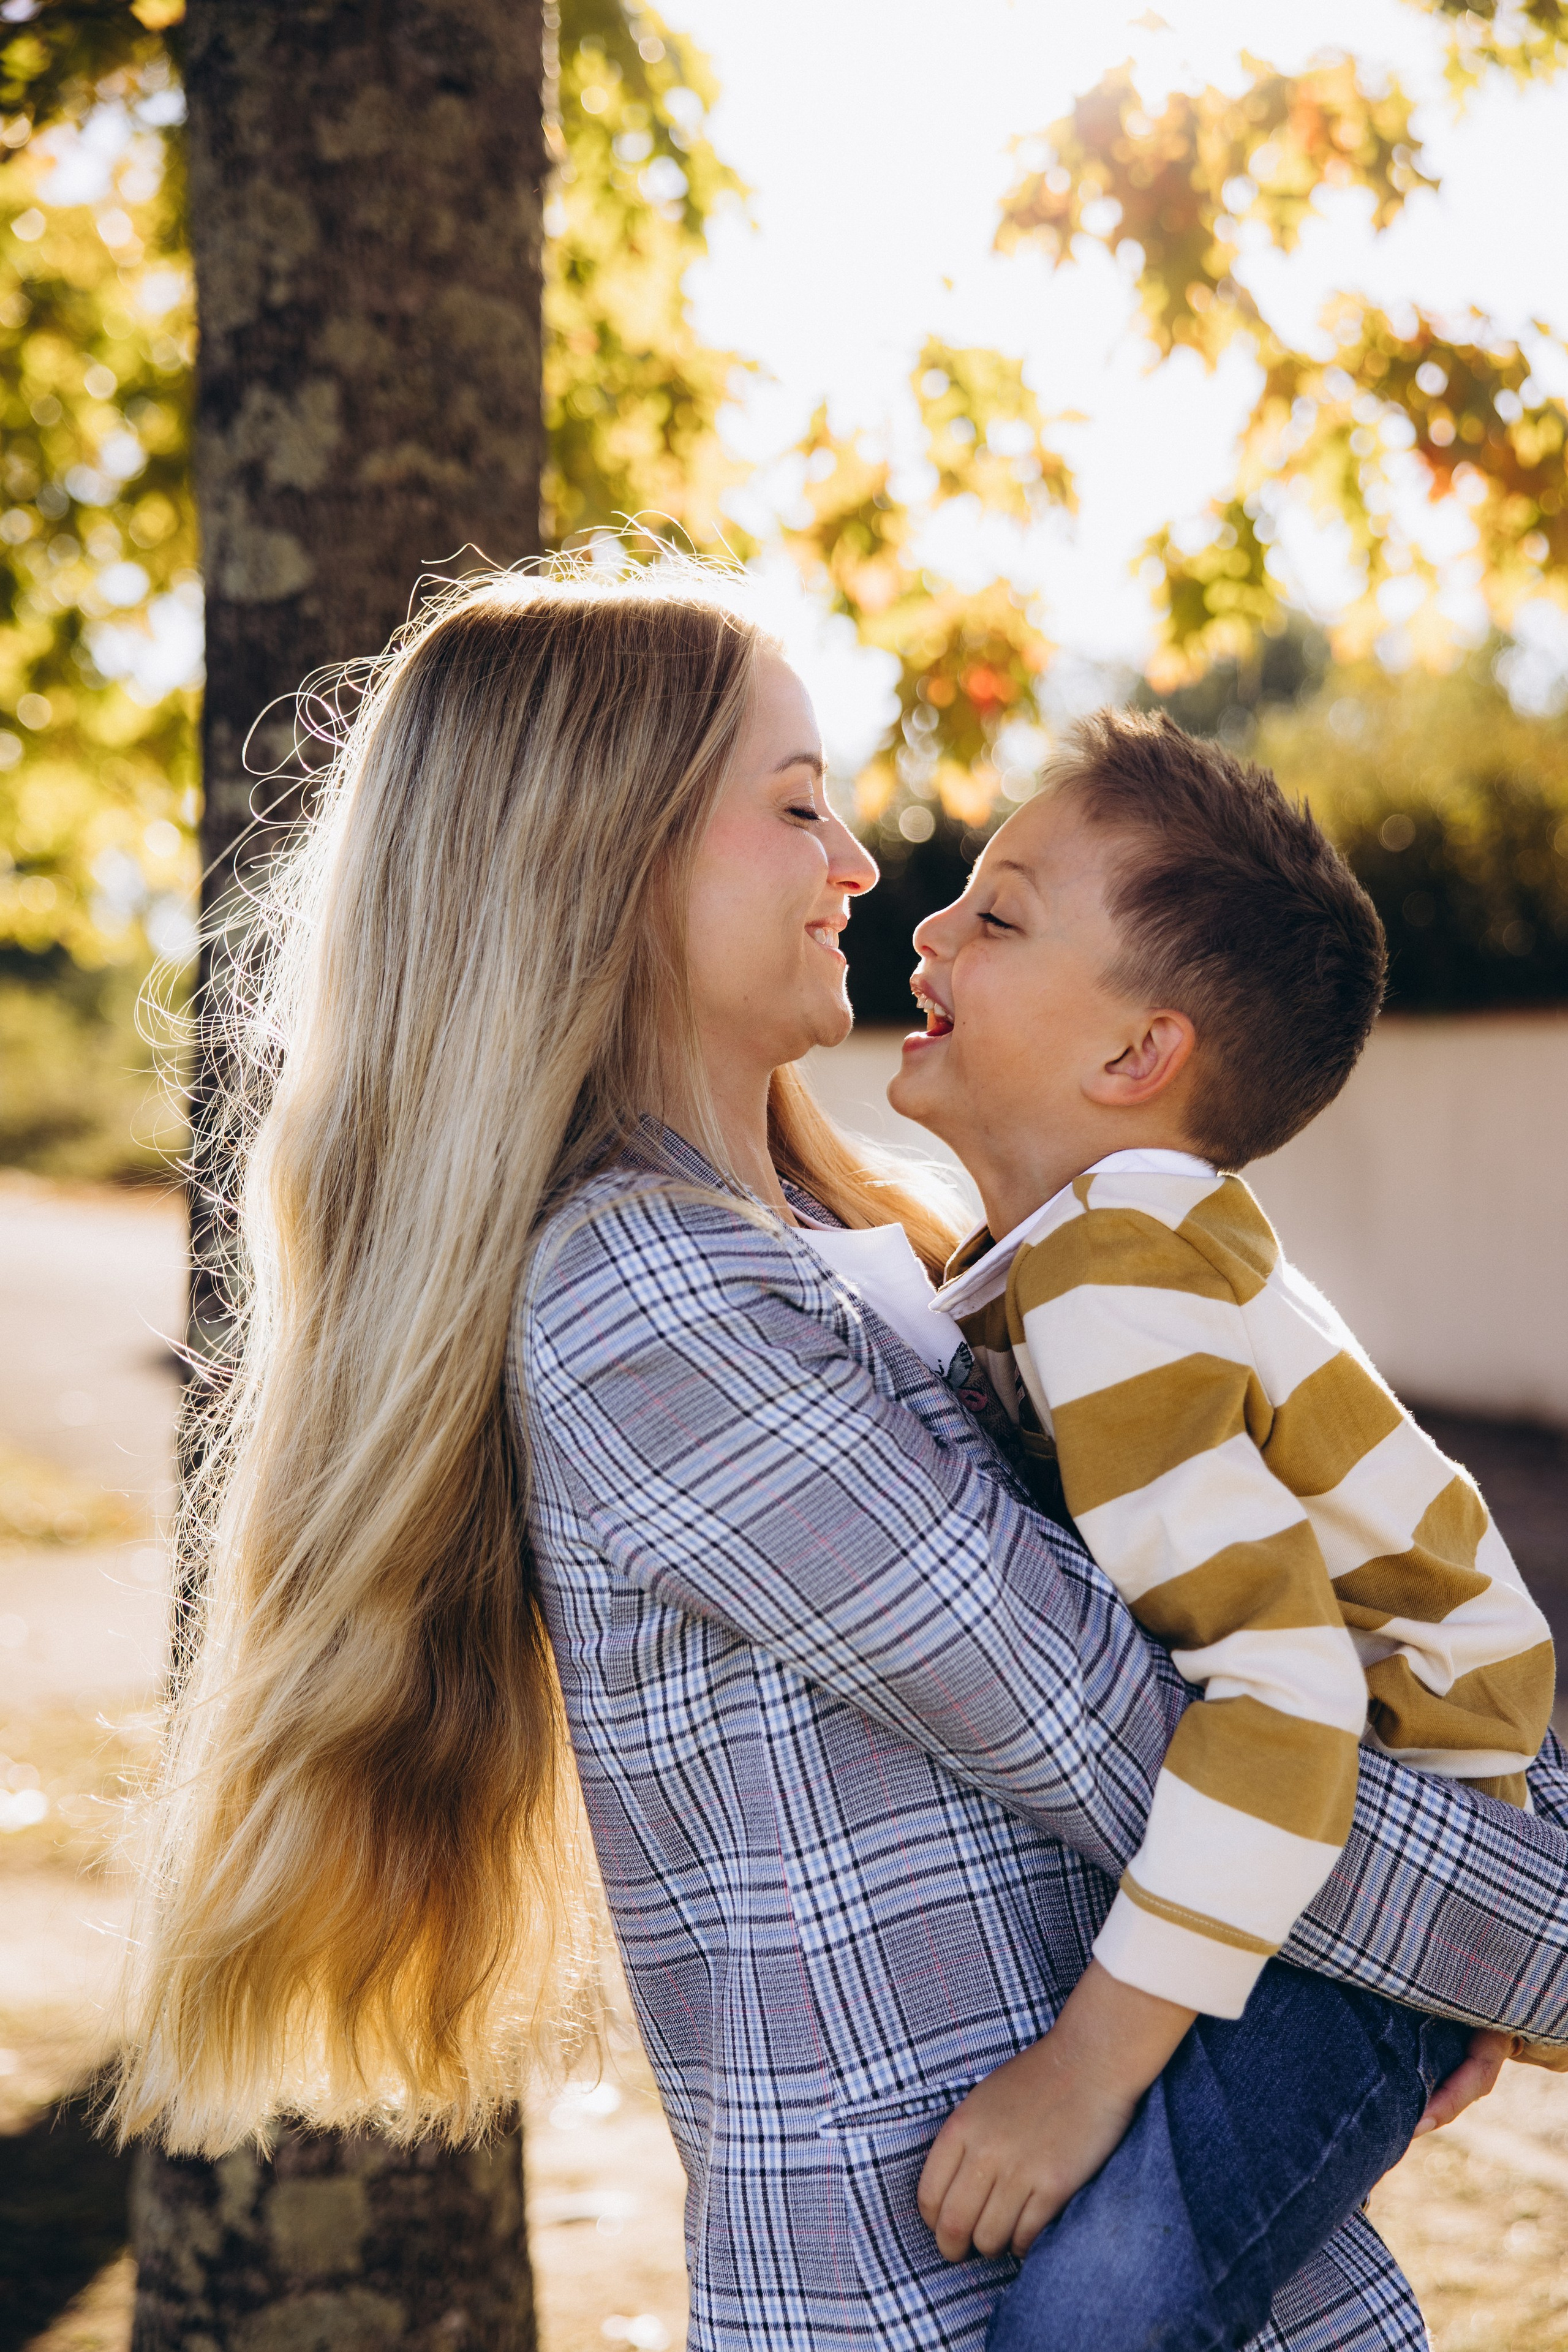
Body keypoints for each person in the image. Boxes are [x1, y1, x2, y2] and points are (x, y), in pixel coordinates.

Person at [115, 565, 1568, 2352]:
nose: (869, 868)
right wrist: (1515, 1944)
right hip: (927, 2299)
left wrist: (1404, 1986)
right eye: (797, 806)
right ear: (602, 857)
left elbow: (1269, 1656)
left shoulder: (925, 1252)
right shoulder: (650, 1302)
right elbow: (1123, 1741)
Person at [883, 707, 1558, 2348]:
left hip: (1410, 1813)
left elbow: (1289, 1697)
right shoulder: (1099, 1250)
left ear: (1136, 1058)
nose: (928, 928)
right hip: (1380, 1809)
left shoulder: (1122, 1279)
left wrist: (1083, 2071)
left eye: (999, 912)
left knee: (1098, 2308)